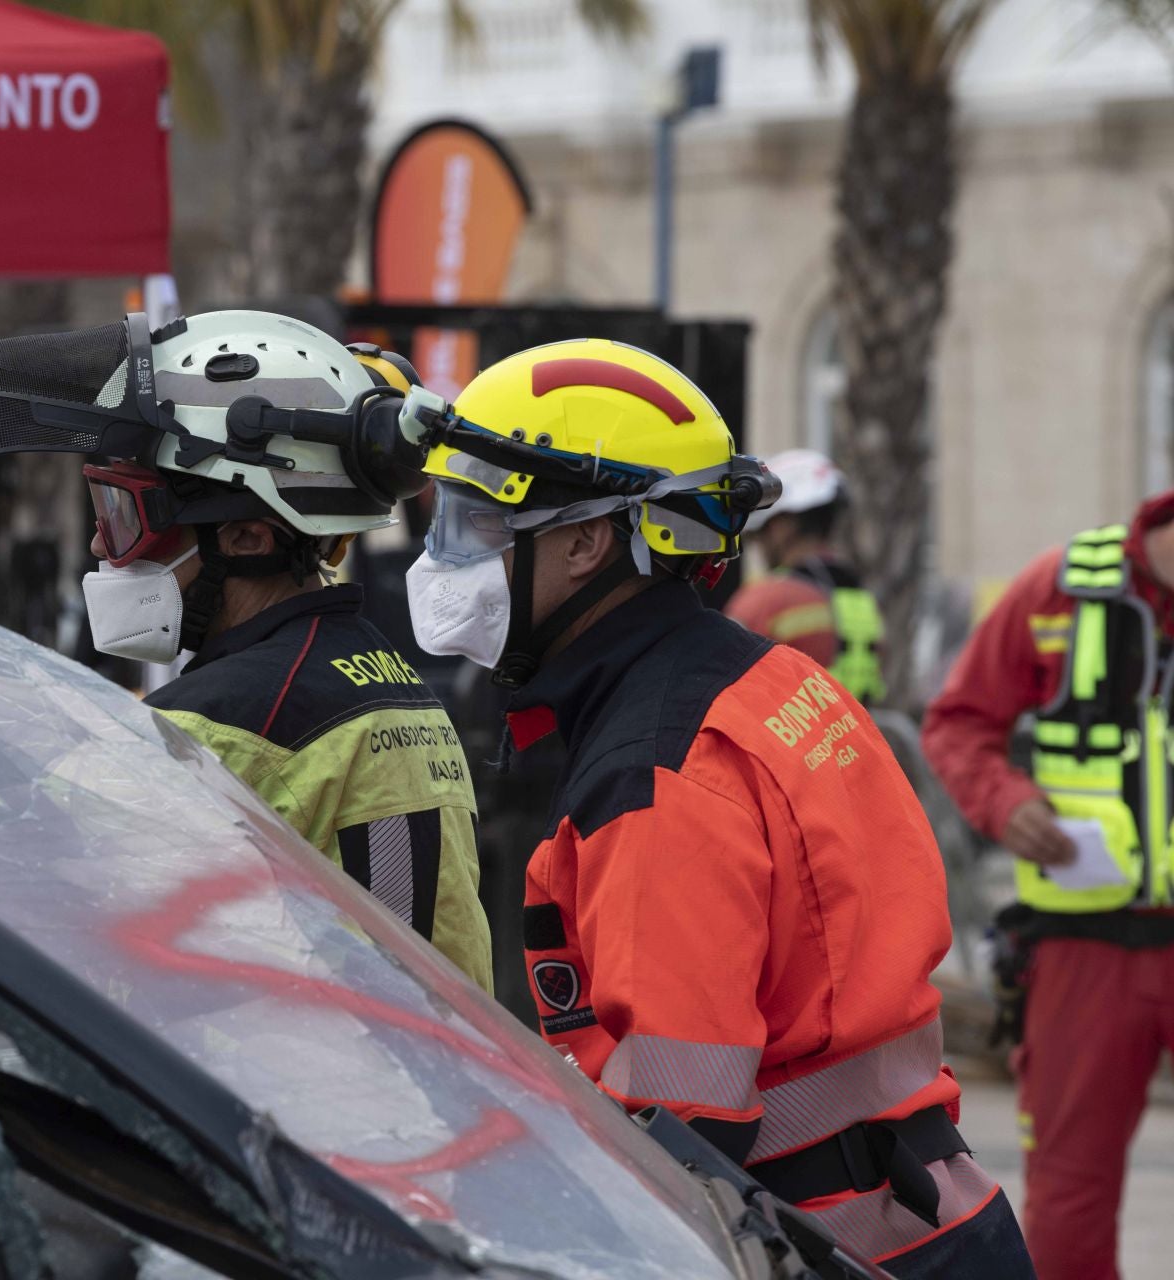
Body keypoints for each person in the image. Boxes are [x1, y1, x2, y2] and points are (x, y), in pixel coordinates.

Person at [403, 338, 1030, 1277]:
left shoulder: (655, 772)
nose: (445, 558)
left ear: (585, 542)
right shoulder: (771, 679)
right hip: (928, 1219)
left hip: (828, 1245)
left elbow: (673, 1140)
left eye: (477, 523)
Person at [0, 310, 492, 990]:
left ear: (249, 537)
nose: (100, 547)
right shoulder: (392, 684)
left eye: (124, 516)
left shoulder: (213, 727)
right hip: (432, 1083)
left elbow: (27, 912)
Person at [922, 495, 1174, 1279]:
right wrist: (1008, 801)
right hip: (1082, 951)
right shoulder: (1060, 589)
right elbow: (959, 722)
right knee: (1069, 1199)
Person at [724, 448, 886, 702]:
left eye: (762, 533)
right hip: (850, 737)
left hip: (782, 739)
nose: (761, 546)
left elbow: (722, 683)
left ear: (783, 525)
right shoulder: (862, 598)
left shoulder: (766, 598)